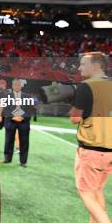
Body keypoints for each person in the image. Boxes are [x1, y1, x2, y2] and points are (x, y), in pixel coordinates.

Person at [69, 52, 111, 223]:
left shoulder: (87, 86)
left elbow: (75, 118)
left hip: (92, 150)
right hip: (109, 151)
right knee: (97, 191)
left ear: (95, 66)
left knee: (86, 193)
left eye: (83, 64)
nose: (79, 68)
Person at [0, 78, 35, 167]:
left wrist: (22, 116)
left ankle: (23, 161)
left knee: (24, 141)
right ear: (12, 86)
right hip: (10, 120)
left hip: (23, 121)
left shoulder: (27, 96)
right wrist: (1, 115)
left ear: (21, 86)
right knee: (8, 140)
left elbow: (30, 109)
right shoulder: (7, 96)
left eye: (18, 85)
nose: (17, 86)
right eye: (15, 85)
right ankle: (7, 158)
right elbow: (3, 107)